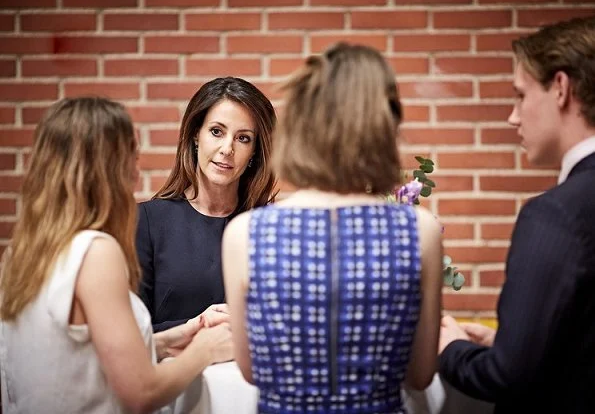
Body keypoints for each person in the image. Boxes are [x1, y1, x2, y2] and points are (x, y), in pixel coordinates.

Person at [223, 43, 444, 414]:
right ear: (384, 125)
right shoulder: (418, 231)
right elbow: (421, 375)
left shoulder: (245, 234)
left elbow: (250, 371)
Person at [0, 97, 232, 413]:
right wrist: (205, 349)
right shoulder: (95, 252)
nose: (135, 175)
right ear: (106, 168)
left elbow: (79, 356)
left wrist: (172, 338)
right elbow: (141, 392)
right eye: (131, 160)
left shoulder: (21, 253)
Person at [438, 16, 595, 413]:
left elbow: (503, 376)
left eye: (521, 95)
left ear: (560, 89)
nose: (513, 116)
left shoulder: (556, 214)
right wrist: (516, 346)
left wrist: (450, 347)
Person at [136, 77, 277, 332]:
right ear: (195, 136)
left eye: (243, 138)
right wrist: (200, 325)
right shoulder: (146, 222)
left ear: (255, 151)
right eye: (216, 132)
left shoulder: (270, 226)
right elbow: (132, 333)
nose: (227, 149)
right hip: (173, 371)